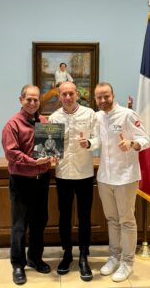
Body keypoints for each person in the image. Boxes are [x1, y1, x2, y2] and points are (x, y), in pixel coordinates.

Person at [81, 82, 150, 282]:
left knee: (126, 220)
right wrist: (89, 144)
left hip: (126, 177)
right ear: (95, 98)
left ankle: (127, 262)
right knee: (112, 220)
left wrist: (132, 143)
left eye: (106, 96)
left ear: (113, 95)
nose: (103, 100)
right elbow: (98, 140)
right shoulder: (98, 116)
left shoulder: (128, 114)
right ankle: (114, 257)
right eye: (99, 97)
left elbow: (145, 139)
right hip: (105, 177)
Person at [48, 81, 99, 282]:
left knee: (85, 216)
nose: (68, 97)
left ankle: (84, 255)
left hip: (85, 173)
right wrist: (49, 155)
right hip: (62, 175)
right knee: (64, 217)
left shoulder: (89, 114)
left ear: (77, 94)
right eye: (64, 94)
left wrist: (90, 143)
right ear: (59, 96)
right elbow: (50, 147)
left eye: (71, 93)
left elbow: (99, 138)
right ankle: (67, 253)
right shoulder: (53, 117)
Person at [2, 84, 52, 285]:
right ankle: (17, 264)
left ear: (40, 101)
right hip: (21, 180)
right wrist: (33, 162)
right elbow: (11, 153)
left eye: (36, 99)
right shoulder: (12, 125)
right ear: (21, 100)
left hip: (42, 180)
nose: (32, 103)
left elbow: (50, 148)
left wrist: (53, 158)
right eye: (28, 99)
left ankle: (35, 258)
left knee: (40, 222)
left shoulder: (45, 122)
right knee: (19, 225)